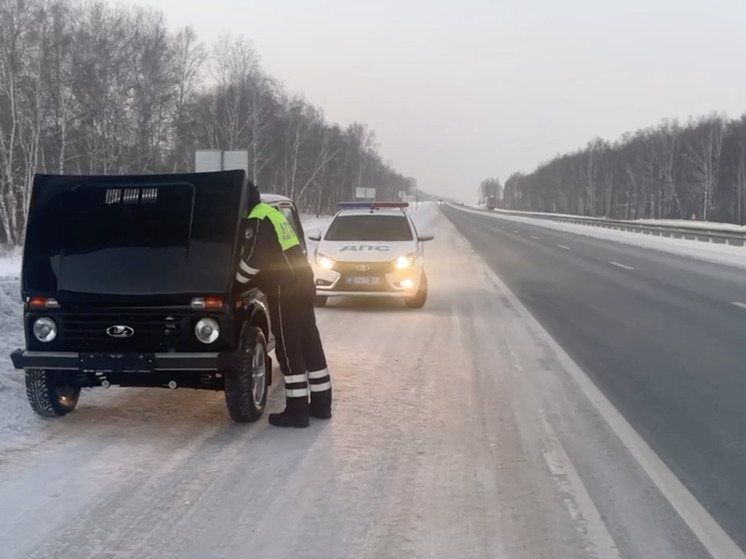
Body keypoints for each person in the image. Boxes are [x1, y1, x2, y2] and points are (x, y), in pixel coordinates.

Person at [234, 182, 332, 428]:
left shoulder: (257, 220)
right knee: (310, 343)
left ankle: (297, 411)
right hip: (302, 283)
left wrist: (234, 283)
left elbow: (254, 258)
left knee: (288, 348)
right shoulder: (273, 213)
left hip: (284, 288)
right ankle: (321, 404)